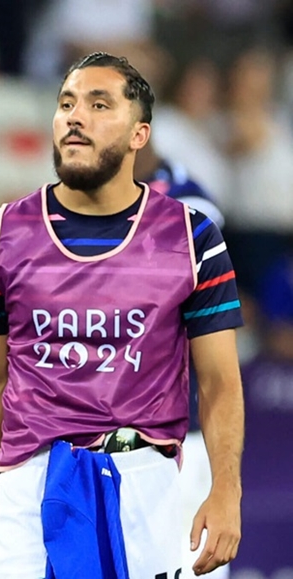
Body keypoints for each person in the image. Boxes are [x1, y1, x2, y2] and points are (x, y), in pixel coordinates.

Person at [0, 52, 244, 578]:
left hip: (148, 481)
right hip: (31, 478)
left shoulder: (193, 237)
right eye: (67, 103)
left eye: (99, 105)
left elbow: (220, 381)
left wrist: (226, 488)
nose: (76, 117)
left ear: (140, 135)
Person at [135, 141, 230, 579]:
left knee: (192, 564)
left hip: (183, 428)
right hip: (111, 432)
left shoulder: (191, 200)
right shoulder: (81, 199)